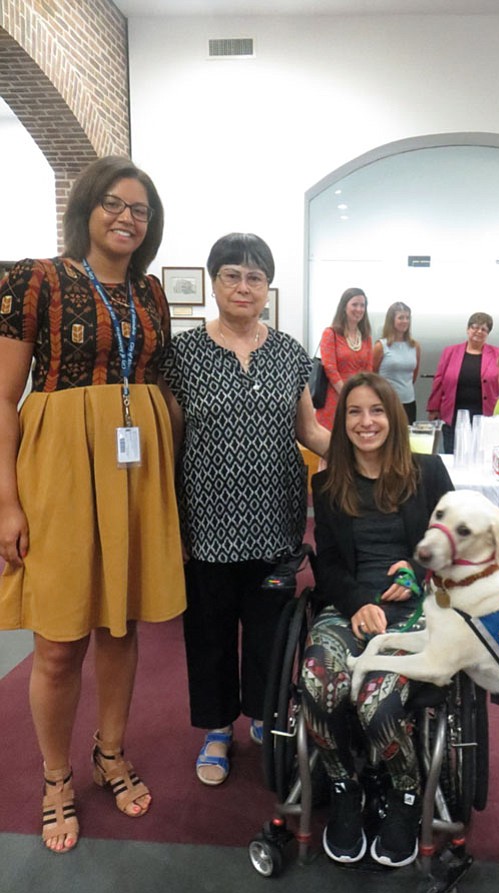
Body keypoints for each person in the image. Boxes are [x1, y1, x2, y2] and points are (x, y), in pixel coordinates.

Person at [0, 156, 186, 854]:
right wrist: (6, 503)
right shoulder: (37, 280)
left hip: (133, 472)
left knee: (120, 625)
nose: (126, 218)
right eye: (114, 203)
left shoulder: (151, 294)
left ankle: (111, 751)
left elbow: (164, 386)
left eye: (140, 209)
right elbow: (2, 398)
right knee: (56, 642)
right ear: (87, 209)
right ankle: (55, 775)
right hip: (60, 468)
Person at [160, 233, 329, 788]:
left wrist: (376, 449)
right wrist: (174, 523)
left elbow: (307, 430)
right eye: (231, 275)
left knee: (268, 632)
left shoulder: (288, 353)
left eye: (254, 277)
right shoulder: (182, 354)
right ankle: (215, 729)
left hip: (275, 522)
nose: (242, 286)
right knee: (209, 633)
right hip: (205, 526)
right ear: (214, 283)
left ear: (267, 288)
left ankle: (260, 714)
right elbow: (172, 445)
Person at [301, 372, 453, 868]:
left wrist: (418, 567)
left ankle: (407, 793)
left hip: (416, 610)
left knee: (374, 701)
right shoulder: (327, 482)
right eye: (354, 412)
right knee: (317, 682)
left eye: (377, 411)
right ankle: (344, 785)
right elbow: (327, 565)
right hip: (349, 607)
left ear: (395, 415)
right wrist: (355, 605)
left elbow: (454, 546)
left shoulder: (428, 472)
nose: (366, 422)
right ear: (342, 422)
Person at [427, 312, 499, 452]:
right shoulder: (450, 352)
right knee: (452, 453)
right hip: (453, 414)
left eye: (484, 329)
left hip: (484, 415)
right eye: (475, 327)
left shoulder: (498, 354)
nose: (478, 331)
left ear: (488, 333)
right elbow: (439, 381)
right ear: (468, 329)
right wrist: (433, 408)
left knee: (480, 455)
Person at [315, 287, 373, 430]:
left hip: (359, 397)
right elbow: (330, 369)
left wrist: (363, 394)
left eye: (362, 305)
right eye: (355, 304)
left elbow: (369, 370)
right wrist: (347, 393)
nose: (359, 309)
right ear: (344, 307)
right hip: (335, 398)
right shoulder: (331, 333)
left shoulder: (366, 337)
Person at [373, 301, 421, 423]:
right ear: (391, 320)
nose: (405, 321)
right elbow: (372, 374)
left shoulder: (415, 346)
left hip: (409, 402)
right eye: (401, 317)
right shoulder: (381, 346)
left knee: (407, 438)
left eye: (407, 318)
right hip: (386, 402)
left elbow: (413, 375)